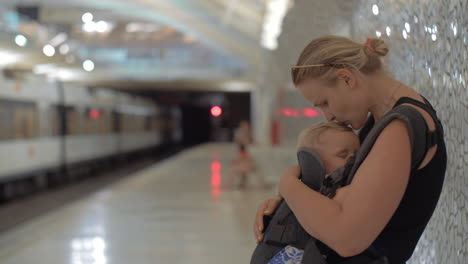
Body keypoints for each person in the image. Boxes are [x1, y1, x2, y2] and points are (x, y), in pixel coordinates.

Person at [253, 36, 447, 264]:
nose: (328, 116)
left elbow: (346, 238)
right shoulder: (379, 120)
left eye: (324, 102)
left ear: (346, 78)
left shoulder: (399, 127)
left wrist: (288, 184)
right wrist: (294, 200)